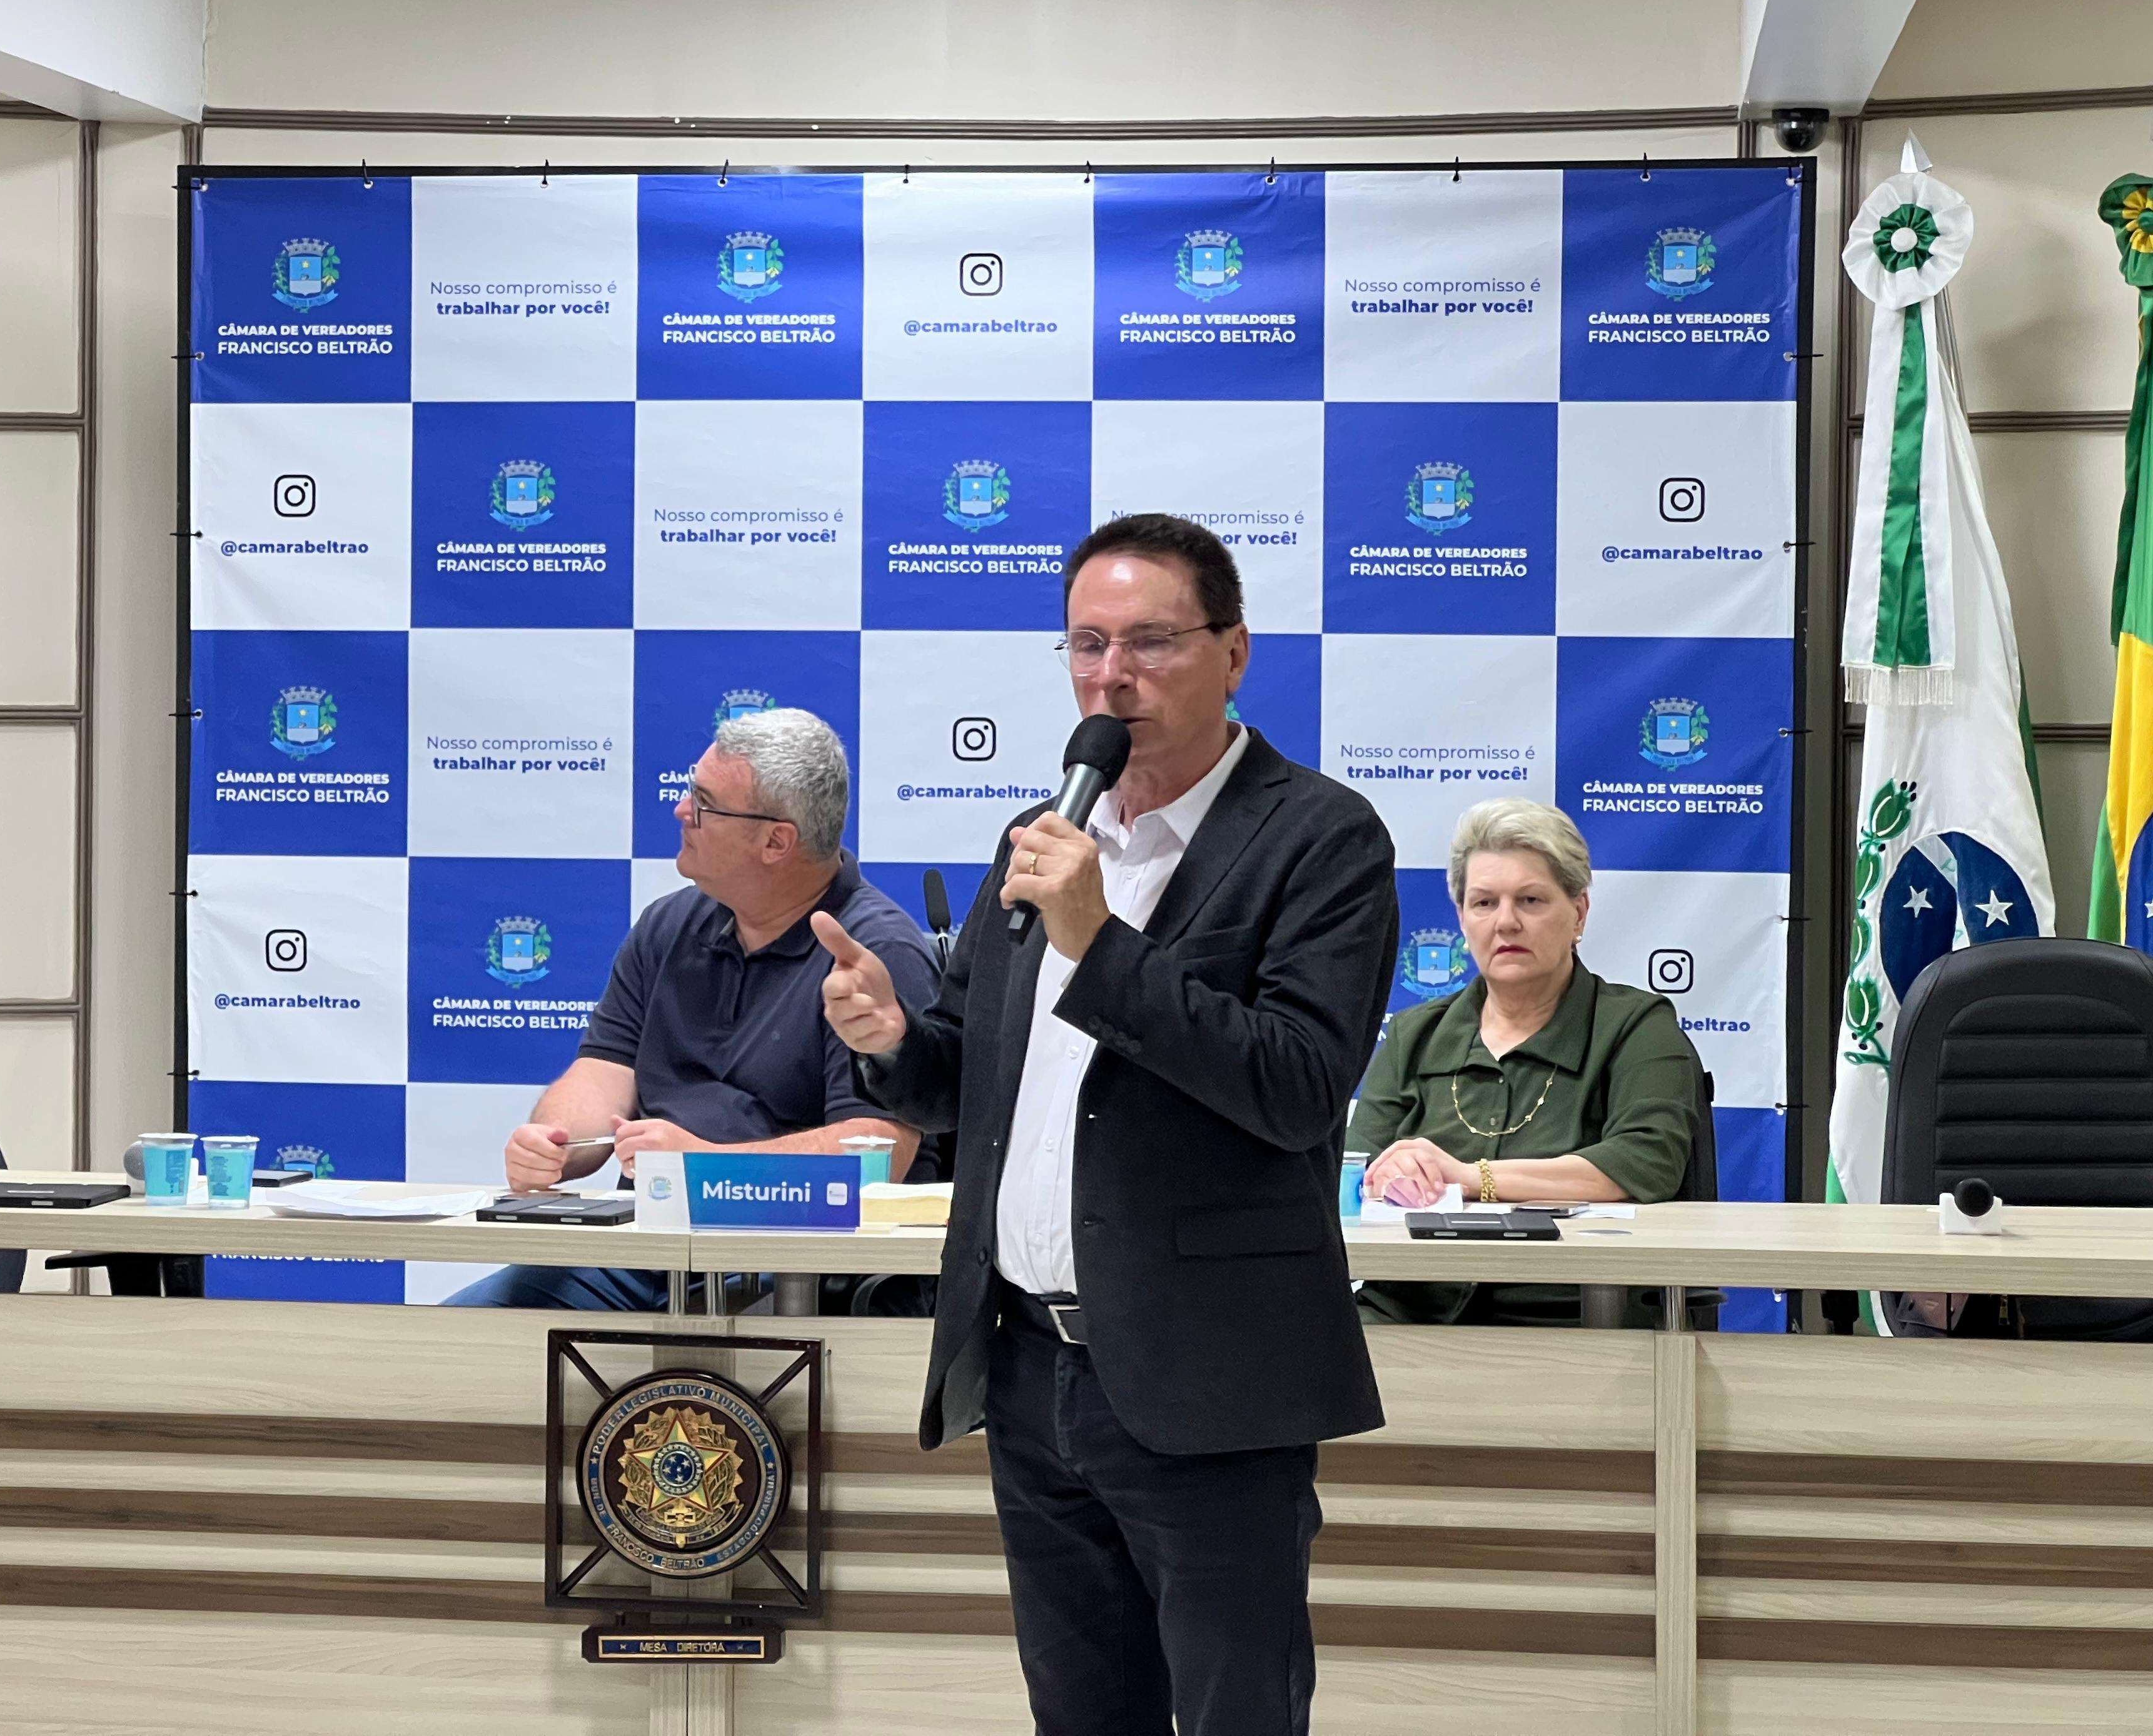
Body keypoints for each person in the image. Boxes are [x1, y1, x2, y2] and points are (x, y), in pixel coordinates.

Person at [812, 512, 1398, 1736]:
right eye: (1086, 644)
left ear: (1233, 652)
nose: (1110, 675)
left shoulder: (1320, 837)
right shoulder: (1043, 838)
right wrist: (889, 1043)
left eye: (1149, 642)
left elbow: (1296, 1085)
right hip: (1031, 1368)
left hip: (1208, 1377)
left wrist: (1098, 940)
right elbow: (971, 1082)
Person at [447, 707, 935, 1311]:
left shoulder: (871, 955)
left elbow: (876, 1157)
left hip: (793, 1264)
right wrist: (554, 1144)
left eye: (704, 803)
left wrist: (703, 1169)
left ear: (776, 841)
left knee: (711, 1367)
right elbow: (604, 1069)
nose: (681, 811)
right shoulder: (669, 924)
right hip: (641, 1244)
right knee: (460, 1340)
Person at [1350, 797, 1703, 1327]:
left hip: (1573, 1316)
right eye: (1484, 903)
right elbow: (1357, 1169)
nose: (1506, 923)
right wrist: (1389, 1176)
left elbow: (1646, 1160)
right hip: (1406, 1312)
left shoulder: (1636, 1026)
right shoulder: (1413, 1034)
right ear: (1462, 918)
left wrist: (1470, 1177)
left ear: (1578, 913)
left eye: (1531, 900)